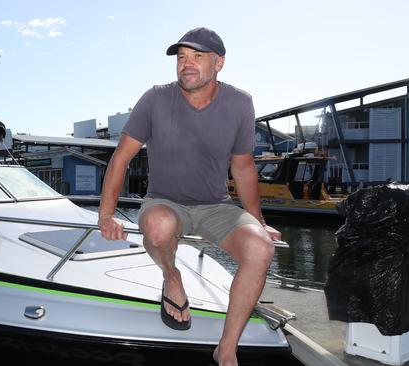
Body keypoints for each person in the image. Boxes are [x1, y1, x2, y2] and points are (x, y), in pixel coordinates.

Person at [97, 27, 281, 366]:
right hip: (165, 201)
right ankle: (172, 277)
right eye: (182, 57)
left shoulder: (240, 103)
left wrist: (258, 221)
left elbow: (243, 168)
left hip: (216, 206)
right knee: (157, 228)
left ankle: (226, 349)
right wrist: (106, 215)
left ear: (219, 63)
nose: (187, 64)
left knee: (260, 247)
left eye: (197, 57)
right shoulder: (155, 98)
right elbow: (121, 157)